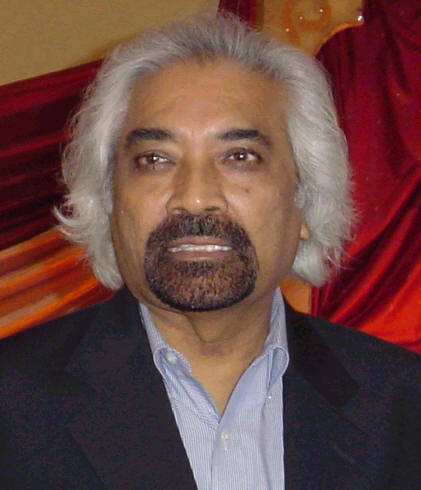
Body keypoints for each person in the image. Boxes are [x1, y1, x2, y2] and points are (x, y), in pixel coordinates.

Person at [0, 13, 420, 490]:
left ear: (306, 198)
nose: (195, 197)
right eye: (155, 160)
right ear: (108, 201)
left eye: (240, 157)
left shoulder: (405, 409)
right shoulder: (12, 408)